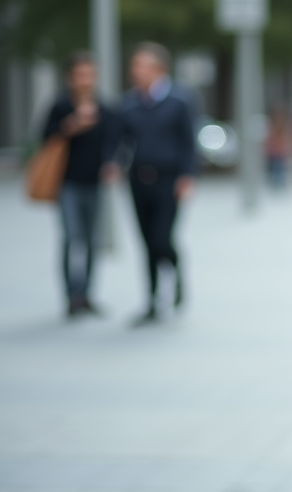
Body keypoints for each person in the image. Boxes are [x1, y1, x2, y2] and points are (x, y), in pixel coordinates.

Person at [118, 43, 196, 326]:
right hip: (138, 179)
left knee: (161, 238)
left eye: (141, 66)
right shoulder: (130, 103)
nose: (135, 72)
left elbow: (189, 141)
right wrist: (113, 163)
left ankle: (175, 271)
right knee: (145, 241)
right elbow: (120, 140)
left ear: (159, 69)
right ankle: (151, 300)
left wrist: (188, 176)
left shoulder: (180, 100)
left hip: (169, 180)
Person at [40, 51, 120, 318]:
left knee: (90, 240)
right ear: (70, 77)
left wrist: (110, 163)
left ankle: (85, 294)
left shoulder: (104, 109)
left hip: (94, 183)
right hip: (67, 183)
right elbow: (45, 139)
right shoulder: (61, 106)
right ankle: (69, 295)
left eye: (89, 74)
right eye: (80, 74)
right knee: (71, 237)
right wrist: (72, 124)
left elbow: (112, 142)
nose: (85, 80)